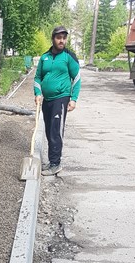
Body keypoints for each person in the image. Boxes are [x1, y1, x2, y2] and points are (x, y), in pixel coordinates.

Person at [34, 26, 81, 176]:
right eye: (59, 38)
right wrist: (37, 93)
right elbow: (37, 77)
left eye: (64, 38)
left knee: (56, 130)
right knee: (49, 131)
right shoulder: (44, 57)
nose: (62, 41)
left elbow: (77, 78)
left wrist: (73, 99)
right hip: (47, 100)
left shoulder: (68, 56)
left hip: (61, 98)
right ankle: (52, 161)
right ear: (53, 39)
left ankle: (56, 164)